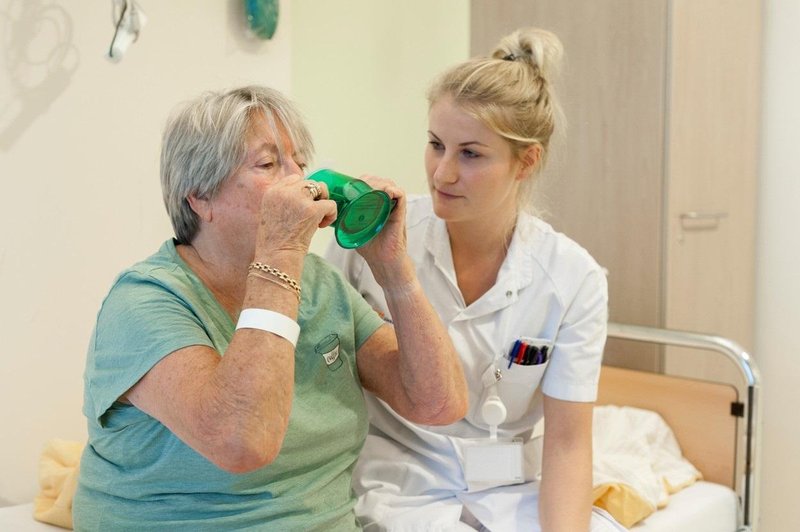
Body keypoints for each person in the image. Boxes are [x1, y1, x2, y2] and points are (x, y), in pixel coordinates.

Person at [73, 85, 468, 531]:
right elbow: (242, 443)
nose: (302, 180)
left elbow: (437, 403)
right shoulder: (143, 303)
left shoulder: (318, 283)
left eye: (298, 161)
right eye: (267, 164)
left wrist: (395, 271)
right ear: (199, 197)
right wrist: (279, 253)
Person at [326, 29, 625, 531]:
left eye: (470, 154)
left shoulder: (573, 279)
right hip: (394, 484)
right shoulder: (374, 240)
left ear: (525, 161)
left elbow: (569, 444)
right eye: (436, 145)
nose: (442, 174)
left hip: (511, 488)